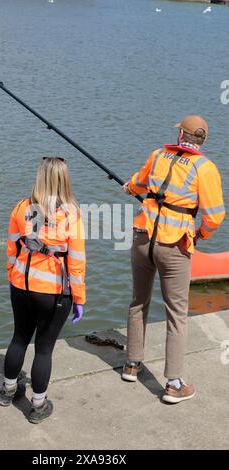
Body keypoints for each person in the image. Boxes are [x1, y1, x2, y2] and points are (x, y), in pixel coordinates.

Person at [122, 115, 225, 403]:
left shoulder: (158, 154)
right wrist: (200, 234)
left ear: (181, 135)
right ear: (202, 140)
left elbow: (139, 183)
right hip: (175, 246)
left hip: (143, 239)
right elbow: (215, 215)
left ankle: (132, 364)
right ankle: (174, 383)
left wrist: (129, 188)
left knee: (137, 302)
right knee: (177, 314)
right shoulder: (205, 168)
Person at [0, 157, 86, 423]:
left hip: (21, 285)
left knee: (19, 338)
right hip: (52, 292)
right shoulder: (71, 214)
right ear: (64, 180)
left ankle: (8, 391)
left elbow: (12, 247)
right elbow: (77, 263)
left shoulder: (22, 207)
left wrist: (11, 274)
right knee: (44, 348)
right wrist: (79, 298)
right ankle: (38, 405)